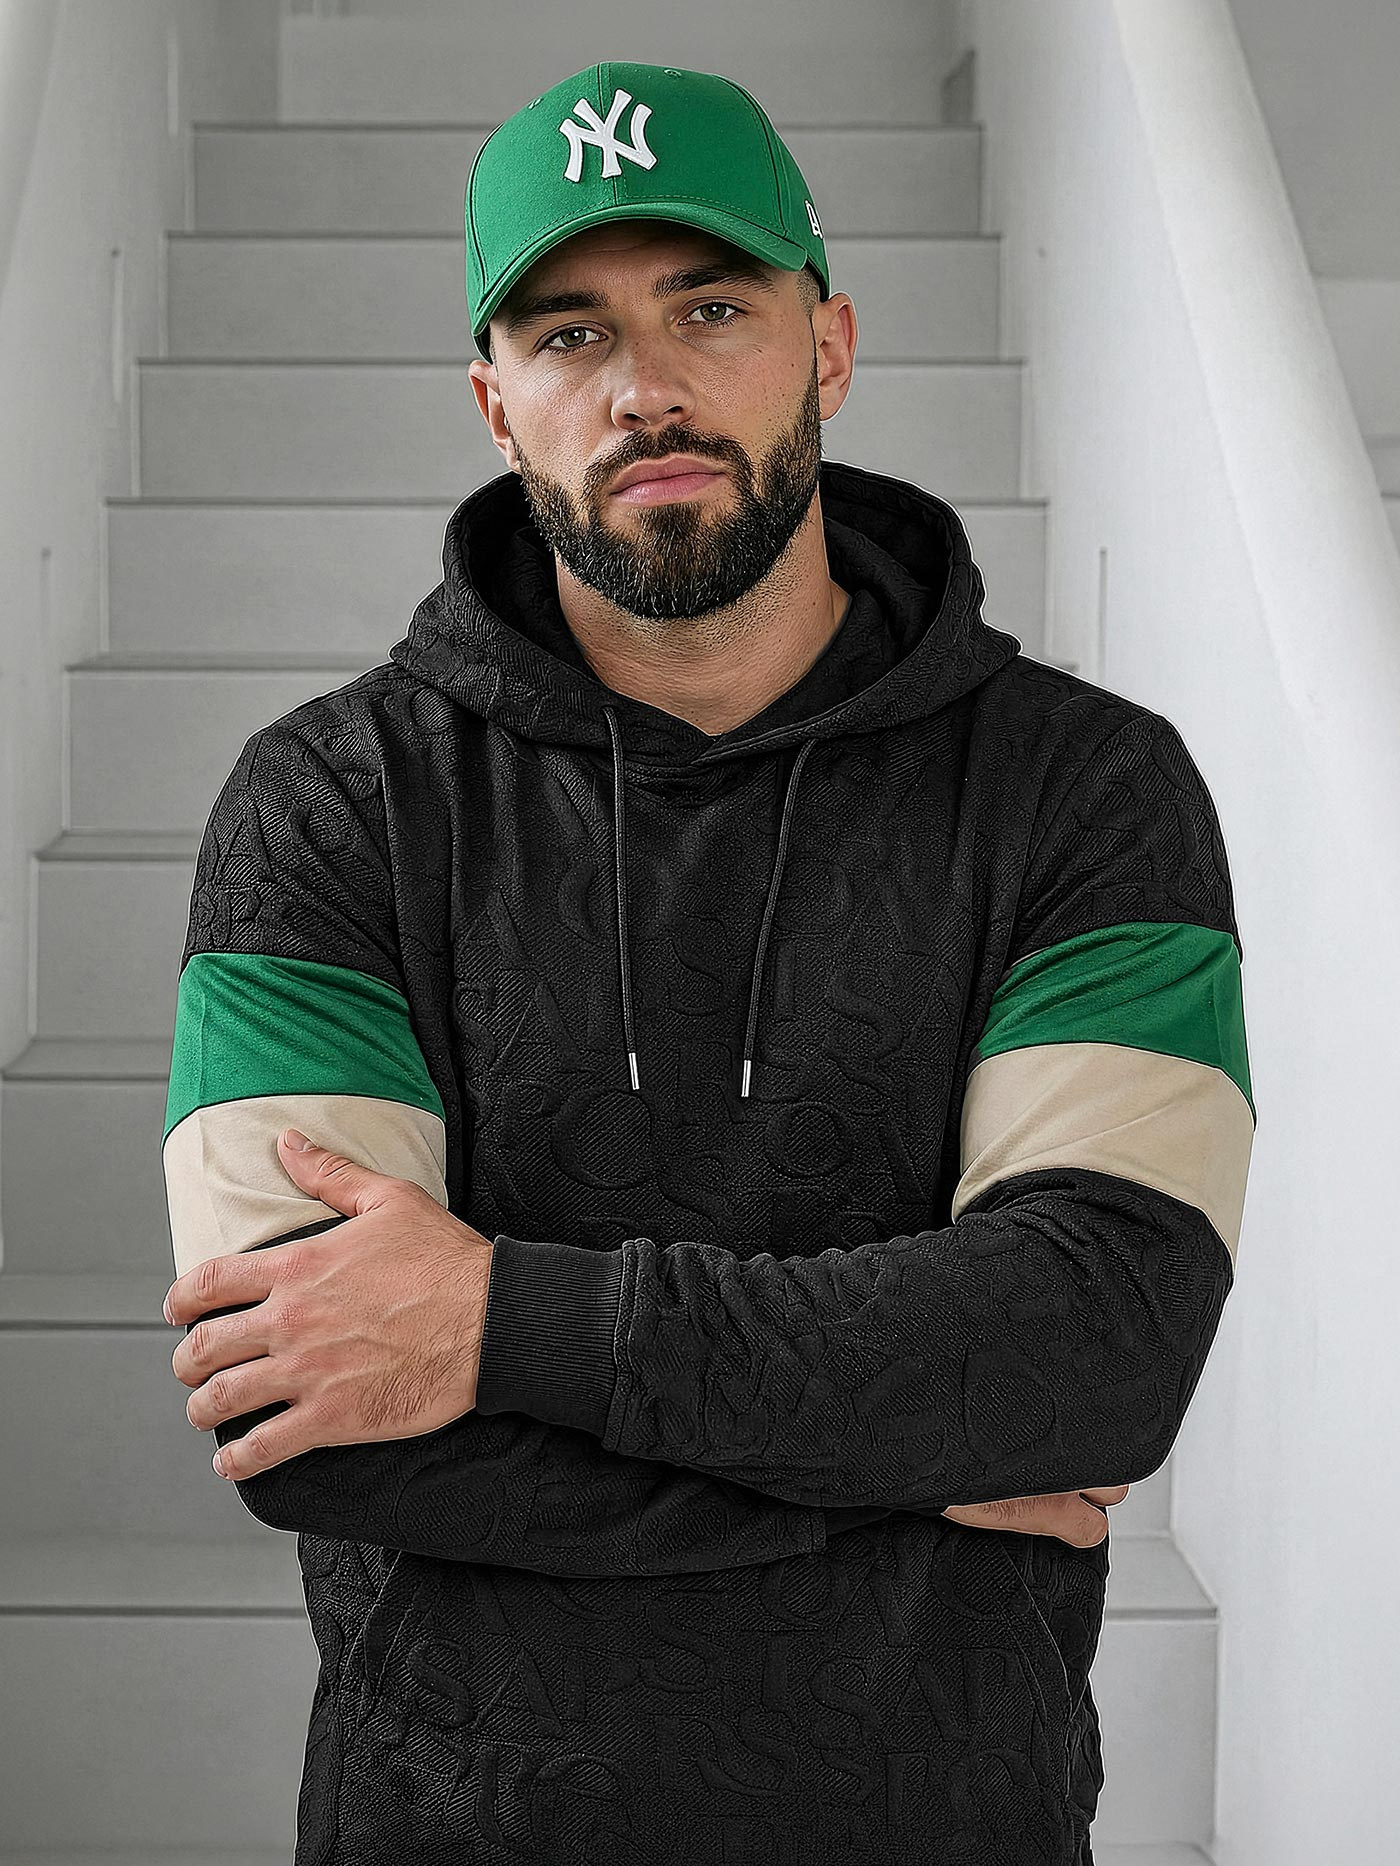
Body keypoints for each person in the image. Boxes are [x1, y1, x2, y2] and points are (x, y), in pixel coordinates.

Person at [160, 60, 1254, 1866]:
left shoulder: (1085, 789)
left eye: (712, 307)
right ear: (496, 404)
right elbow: (312, 1415)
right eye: (570, 333)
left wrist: (498, 1325)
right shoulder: (329, 804)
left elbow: (1099, 1344)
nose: (644, 387)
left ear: (830, 343)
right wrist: (918, 1456)